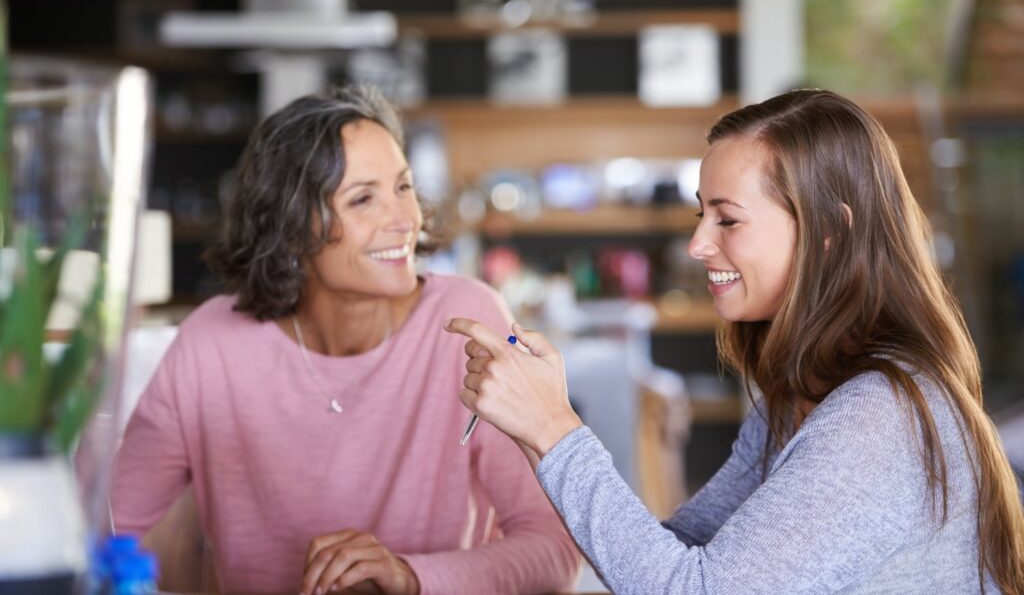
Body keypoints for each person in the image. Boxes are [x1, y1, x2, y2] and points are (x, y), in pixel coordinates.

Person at [447, 89, 1024, 594]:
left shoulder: (878, 417)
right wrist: (534, 424)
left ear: (829, 231)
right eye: (702, 214)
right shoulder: (798, 394)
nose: (697, 244)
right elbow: (677, 550)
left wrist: (554, 429)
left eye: (727, 220)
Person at [110, 86, 580, 595]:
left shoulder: (465, 321)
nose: (404, 220)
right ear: (290, 227)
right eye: (363, 199)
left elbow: (555, 551)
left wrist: (409, 577)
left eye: (403, 187)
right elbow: (101, 526)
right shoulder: (211, 344)